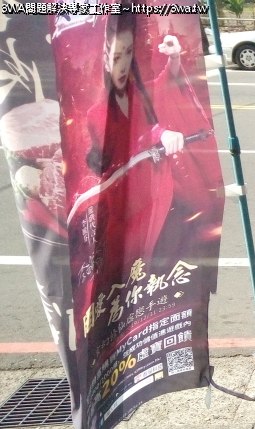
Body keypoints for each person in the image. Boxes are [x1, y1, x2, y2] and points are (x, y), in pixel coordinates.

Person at [82, 13, 220, 287]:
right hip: (128, 202)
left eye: (128, 53)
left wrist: (174, 58)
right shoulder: (96, 113)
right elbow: (129, 142)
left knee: (177, 248)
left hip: (160, 192)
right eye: (116, 57)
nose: (123, 64)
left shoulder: (140, 94)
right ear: (104, 59)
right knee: (131, 268)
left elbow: (165, 83)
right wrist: (159, 134)